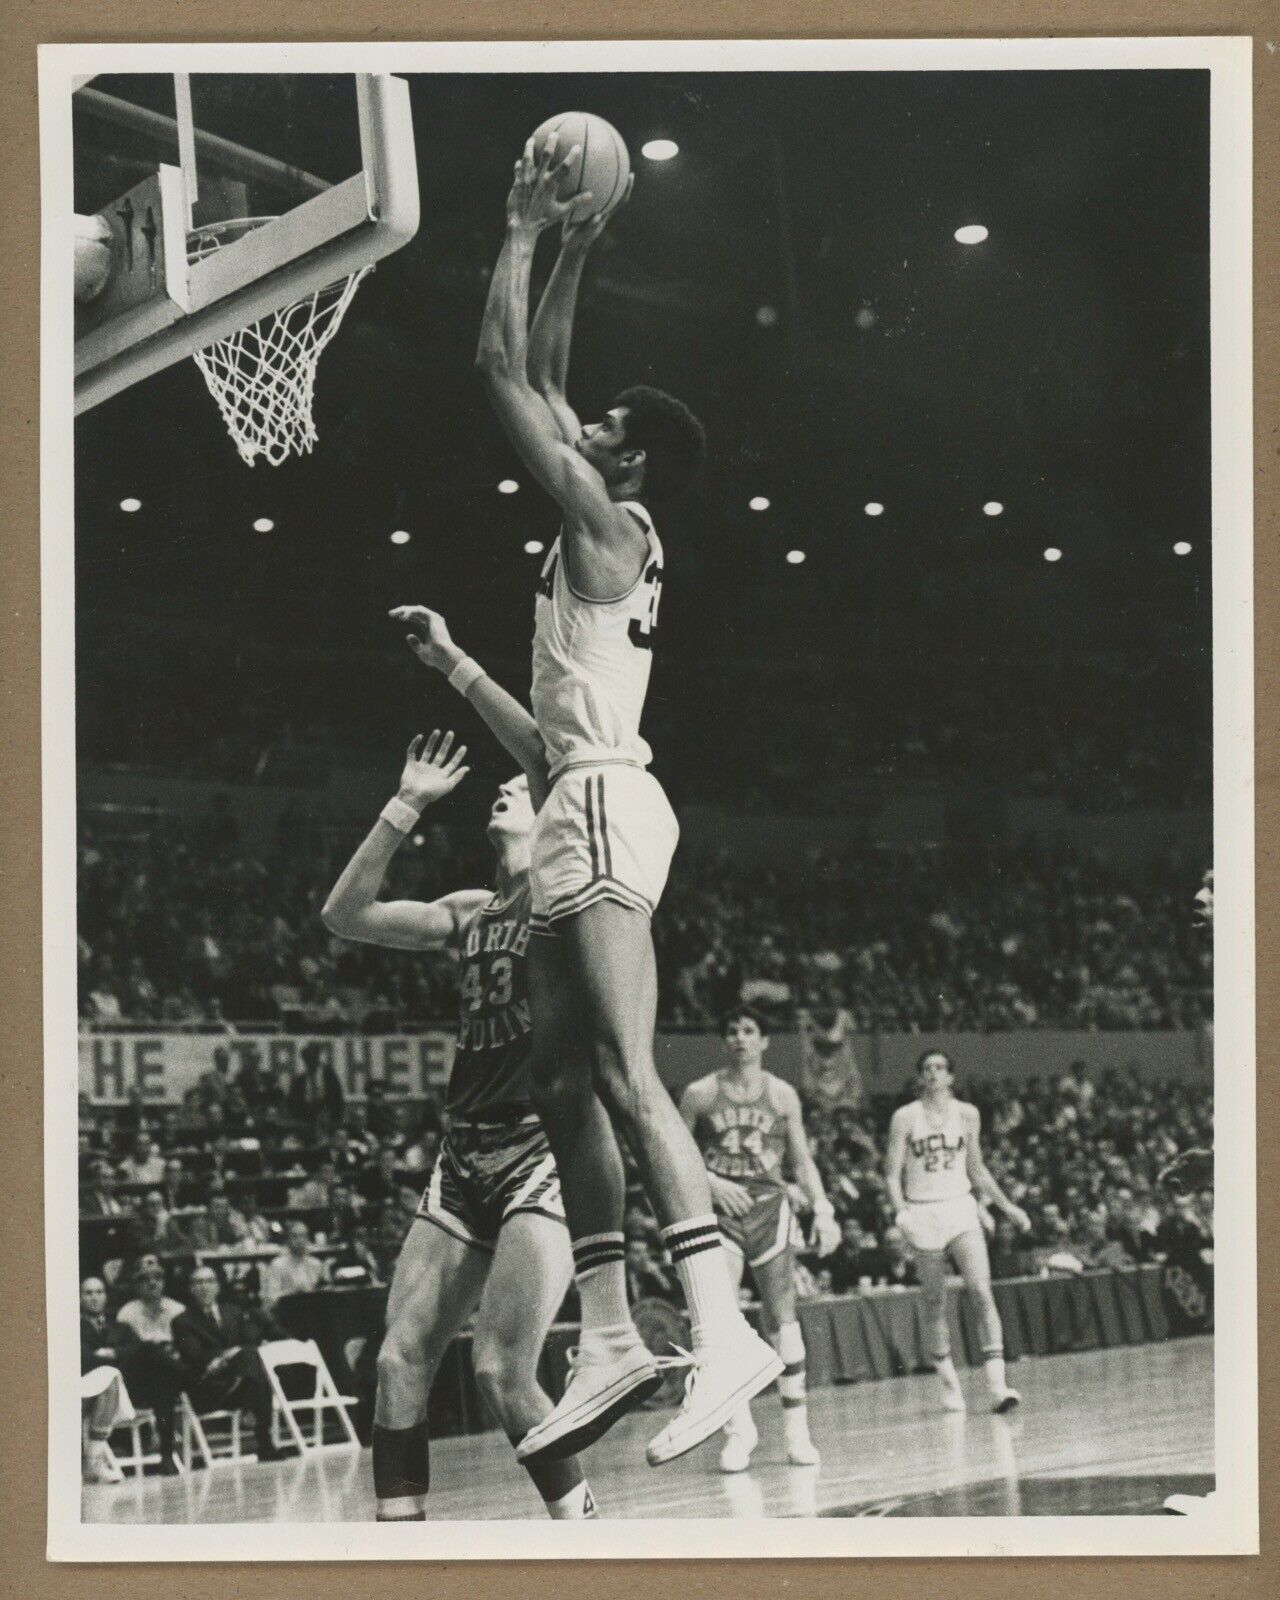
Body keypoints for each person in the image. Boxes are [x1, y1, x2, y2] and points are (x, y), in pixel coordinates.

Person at [469, 128, 779, 1469]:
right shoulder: (614, 509)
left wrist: (528, 227)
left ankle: (725, 1331)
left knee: (620, 1067)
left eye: (602, 430)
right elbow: (543, 372)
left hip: (598, 799)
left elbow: (499, 370)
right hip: (573, 808)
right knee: (555, 1076)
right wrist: (581, 250)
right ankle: (608, 1329)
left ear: (631, 467)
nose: (578, 420)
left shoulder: (606, 520)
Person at [321, 712, 597, 1522]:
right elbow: (345, 916)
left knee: (502, 1372)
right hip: (464, 1153)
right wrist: (403, 807)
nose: (506, 789)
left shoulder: (568, 899)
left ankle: (582, 1528)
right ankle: (400, 1548)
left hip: (542, 1149)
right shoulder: (474, 908)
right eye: (507, 785)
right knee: (400, 1358)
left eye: (522, 786)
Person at [680, 1007, 841, 1472]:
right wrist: (712, 1184)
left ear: (764, 1041)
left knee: (782, 1319)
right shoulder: (700, 1093)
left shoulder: (783, 1093)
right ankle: (738, 1431)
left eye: (749, 1030)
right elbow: (674, 1156)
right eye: (732, 1029)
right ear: (724, 1040)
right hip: (720, 1211)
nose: (740, 1037)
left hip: (770, 1209)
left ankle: (797, 1432)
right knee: (722, 1322)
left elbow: (803, 1159)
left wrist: (824, 1208)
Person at [884, 1050, 1031, 1413]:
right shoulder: (905, 1117)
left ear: (951, 1076)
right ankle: (949, 1382)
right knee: (935, 1301)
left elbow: (977, 1169)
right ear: (920, 1077)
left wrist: (1007, 1206)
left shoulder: (967, 1114)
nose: (933, 1074)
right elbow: (891, 1173)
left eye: (940, 1068)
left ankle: (998, 1386)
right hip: (923, 1211)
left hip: (960, 1207)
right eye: (927, 1068)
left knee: (981, 1291)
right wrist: (901, 1212)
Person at [172, 1265, 283, 1463]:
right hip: (209, 1386)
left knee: (252, 1361)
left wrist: (237, 1352)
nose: (204, 1287)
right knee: (252, 1362)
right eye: (199, 1282)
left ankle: (255, 1419)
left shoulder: (233, 1312)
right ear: (191, 1289)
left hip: (241, 1382)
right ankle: (263, 1439)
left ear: (218, 1287)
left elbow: (249, 1340)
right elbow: (195, 1356)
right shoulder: (182, 1321)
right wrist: (229, 1355)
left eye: (209, 1281)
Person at [113, 1255, 186, 1471]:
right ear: (136, 1284)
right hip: (140, 1378)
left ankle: (166, 1453)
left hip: (169, 1377)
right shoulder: (127, 1313)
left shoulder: (177, 1310)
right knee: (150, 1351)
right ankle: (165, 1450)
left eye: (158, 1277)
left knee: (163, 1381)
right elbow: (127, 1353)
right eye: (145, 1279)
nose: (152, 1282)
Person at [80, 1276, 133, 1484]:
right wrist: (102, 1358)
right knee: (108, 1376)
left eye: (99, 1292)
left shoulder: (119, 1325)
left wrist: (113, 1352)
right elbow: (82, 1357)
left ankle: (93, 1460)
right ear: (79, 1297)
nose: (95, 1297)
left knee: (110, 1377)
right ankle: (94, 1460)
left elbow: (136, 1348)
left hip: (116, 1387)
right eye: (88, 1292)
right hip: (80, 1385)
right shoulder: (71, 1324)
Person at [260, 1220, 328, 1309]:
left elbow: (326, 1291)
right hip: (287, 1312)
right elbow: (270, 1300)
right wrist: (293, 1293)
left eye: (303, 1236)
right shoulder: (277, 1265)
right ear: (287, 1240)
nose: (300, 1241)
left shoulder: (316, 1264)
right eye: (295, 1237)